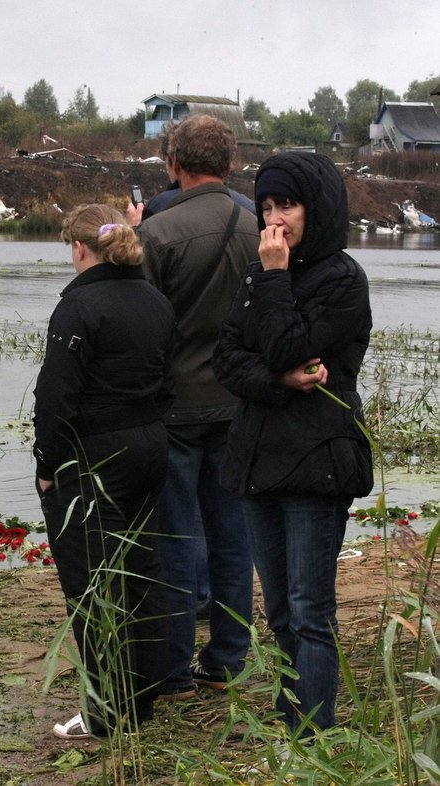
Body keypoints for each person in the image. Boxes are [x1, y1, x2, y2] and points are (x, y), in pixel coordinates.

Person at [213, 151, 372, 736]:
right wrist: (278, 381)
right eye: (268, 207)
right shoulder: (257, 274)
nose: (276, 219)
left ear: (318, 207)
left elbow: (286, 346)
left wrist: (276, 279)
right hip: (257, 462)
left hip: (315, 466)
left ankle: (314, 733)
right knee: (278, 612)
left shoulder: (342, 279)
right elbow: (226, 358)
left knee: (309, 612)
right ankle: (290, 724)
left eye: (289, 205)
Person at [33, 204, 175, 739]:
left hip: (93, 455)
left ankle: (103, 712)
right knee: (141, 570)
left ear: (79, 248)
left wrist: (48, 466)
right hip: (149, 444)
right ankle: (142, 700)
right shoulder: (156, 302)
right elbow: (167, 382)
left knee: (89, 583)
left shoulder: (79, 309)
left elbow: (56, 397)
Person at [135, 114, 260, 699]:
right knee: (233, 538)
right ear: (230, 162)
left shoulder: (156, 235)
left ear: (173, 164)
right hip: (241, 406)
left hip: (175, 409)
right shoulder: (261, 230)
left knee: (176, 540)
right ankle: (230, 659)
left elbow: (144, 329)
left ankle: (174, 668)